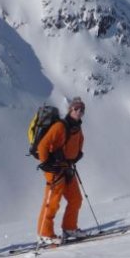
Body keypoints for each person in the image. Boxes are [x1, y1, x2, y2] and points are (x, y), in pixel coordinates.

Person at [36, 97, 86, 244]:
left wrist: (76, 156)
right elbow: (42, 146)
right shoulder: (60, 126)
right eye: (76, 109)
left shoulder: (77, 127)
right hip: (55, 169)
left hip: (67, 167)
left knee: (76, 199)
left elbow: (78, 144)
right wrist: (46, 164)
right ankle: (44, 233)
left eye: (82, 109)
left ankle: (69, 228)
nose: (79, 112)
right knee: (52, 202)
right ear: (70, 110)